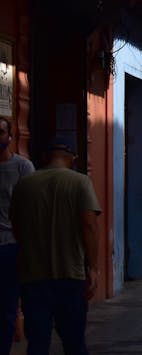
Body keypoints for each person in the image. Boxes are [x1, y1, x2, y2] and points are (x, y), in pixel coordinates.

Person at [10, 142, 101, 355]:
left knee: (38, 342)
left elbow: (16, 226)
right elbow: (89, 225)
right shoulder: (80, 182)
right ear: (73, 158)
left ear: (44, 158)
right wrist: (93, 267)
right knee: (74, 341)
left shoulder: (24, 184)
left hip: (32, 276)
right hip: (70, 275)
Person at [0, 116, 34, 353]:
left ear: (10, 136)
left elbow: (31, 210)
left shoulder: (22, 167)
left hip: (10, 247)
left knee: (6, 308)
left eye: (0, 132)